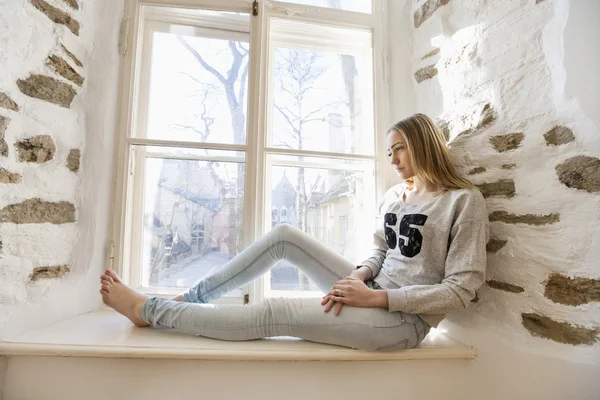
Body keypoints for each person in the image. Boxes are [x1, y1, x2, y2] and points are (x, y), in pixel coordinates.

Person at [100, 113, 489, 351]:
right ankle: (191, 297)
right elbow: (380, 251)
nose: (394, 160)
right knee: (284, 234)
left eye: (400, 148)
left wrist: (376, 299)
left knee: (275, 312)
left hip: (403, 322)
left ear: (424, 143)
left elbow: (460, 291)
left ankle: (149, 310)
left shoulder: (462, 202)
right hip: (370, 288)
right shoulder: (394, 196)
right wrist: (359, 275)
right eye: (389, 152)